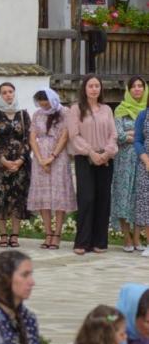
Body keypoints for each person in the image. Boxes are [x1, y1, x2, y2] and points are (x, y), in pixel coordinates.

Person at [67, 74, 118, 255]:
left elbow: (113, 134)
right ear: (84, 89)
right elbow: (74, 135)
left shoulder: (107, 110)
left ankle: (100, 242)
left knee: (103, 199)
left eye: (97, 86)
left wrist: (107, 153)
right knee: (87, 199)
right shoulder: (75, 109)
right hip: (85, 158)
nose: (94, 89)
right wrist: (91, 152)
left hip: (105, 159)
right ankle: (82, 242)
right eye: (91, 86)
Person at [27, 89, 76, 251]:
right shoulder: (37, 114)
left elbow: (65, 136)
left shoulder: (64, 112)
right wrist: (40, 158)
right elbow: (32, 137)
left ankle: (57, 234)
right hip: (39, 157)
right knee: (43, 196)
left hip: (59, 157)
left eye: (46, 102)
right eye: (41, 102)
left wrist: (52, 157)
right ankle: (48, 233)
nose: (43, 105)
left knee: (58, 195)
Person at [0, 82, 32, 249]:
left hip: (21, 165)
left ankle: (15, 235)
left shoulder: (23, 114)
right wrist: (3, 160)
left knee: (17, 200)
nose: (8, 95)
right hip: (0, 165)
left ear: (15, 93)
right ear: (0, 95)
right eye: (4, 92)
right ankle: (3, 234)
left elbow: (29, 138)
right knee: (0, 199)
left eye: (10, 91)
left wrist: (21, 160)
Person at [112, 77, 148, 252]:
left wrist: (130, 134)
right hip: (124, 162)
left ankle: (137, 238)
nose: (137, 89)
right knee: (124, 198)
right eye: (133, 87)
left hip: (143, 161)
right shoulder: (120, 109)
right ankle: (126, 238)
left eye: (140, 86)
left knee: (139, 199)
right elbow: (117, 135)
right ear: (128, 90)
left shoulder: (146, 110)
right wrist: (136, 135)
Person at [135, 105, 149, 258]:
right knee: (146, 205)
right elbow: (138, 140)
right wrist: (145, 159)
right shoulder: (143, 115)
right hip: (146, 165)